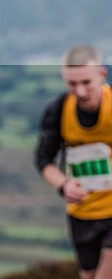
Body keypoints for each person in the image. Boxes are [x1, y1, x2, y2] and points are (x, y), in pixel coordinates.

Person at [36, 44, 112, 279]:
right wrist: (63, 185)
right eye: (72, 84)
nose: (80, 91)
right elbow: (43, 160)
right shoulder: (58, 110)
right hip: (82, 213)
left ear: (101, 74)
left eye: (86, 82)